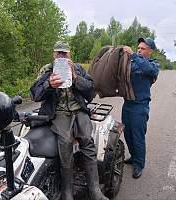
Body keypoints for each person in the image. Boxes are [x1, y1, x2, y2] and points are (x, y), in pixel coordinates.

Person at [30, 41, 108, 200]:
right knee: (64, 144)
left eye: (64, 53)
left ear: (69, 54)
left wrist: (75, 78)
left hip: (78, 110)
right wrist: (49, 85)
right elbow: (35, 95)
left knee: (87, 140)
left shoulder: (78, 68)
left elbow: (90, 92)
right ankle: (67, 192)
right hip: (59, 113)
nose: (61, 56)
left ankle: (94, 190)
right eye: (58, 53)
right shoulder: (47, 70)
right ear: (54, 54)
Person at [122, 38, 160, 178]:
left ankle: (139, 164)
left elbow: (148, 70)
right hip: (127, 104)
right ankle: (133, 156)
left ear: (150, 51)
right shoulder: (132, 62)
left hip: (140, 106)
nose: (139, 50)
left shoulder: (153, 64)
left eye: (142, 49)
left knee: (138, 137)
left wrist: (133, 55)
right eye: (138, 48)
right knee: (128, 134)